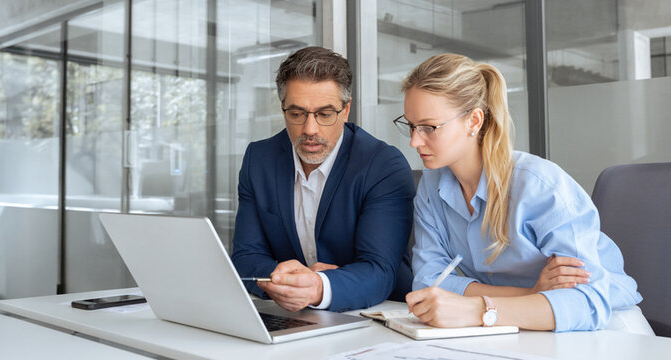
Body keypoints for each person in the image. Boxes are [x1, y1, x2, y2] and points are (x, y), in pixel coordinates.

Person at [399, 53, 651, 334]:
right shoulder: (432, 186)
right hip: (513, 325)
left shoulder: (539, 185)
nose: (414, 141)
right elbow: (429, 283)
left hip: (607, 329)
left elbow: (587, 303)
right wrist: (531, 293)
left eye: (429, 127)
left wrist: (476, 308)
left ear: (474, 121)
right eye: (411, 126)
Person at [231, 46, 415, 312]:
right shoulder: (258, 160)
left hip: (372, 314)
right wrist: (288, 283)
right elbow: (246, 257)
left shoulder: (383, 165)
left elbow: (379, 270)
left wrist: (318, 287)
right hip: (291, 313)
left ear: (346, 109)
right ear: (283, 109)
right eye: (296, 114)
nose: (310, 129)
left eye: (325, 114)